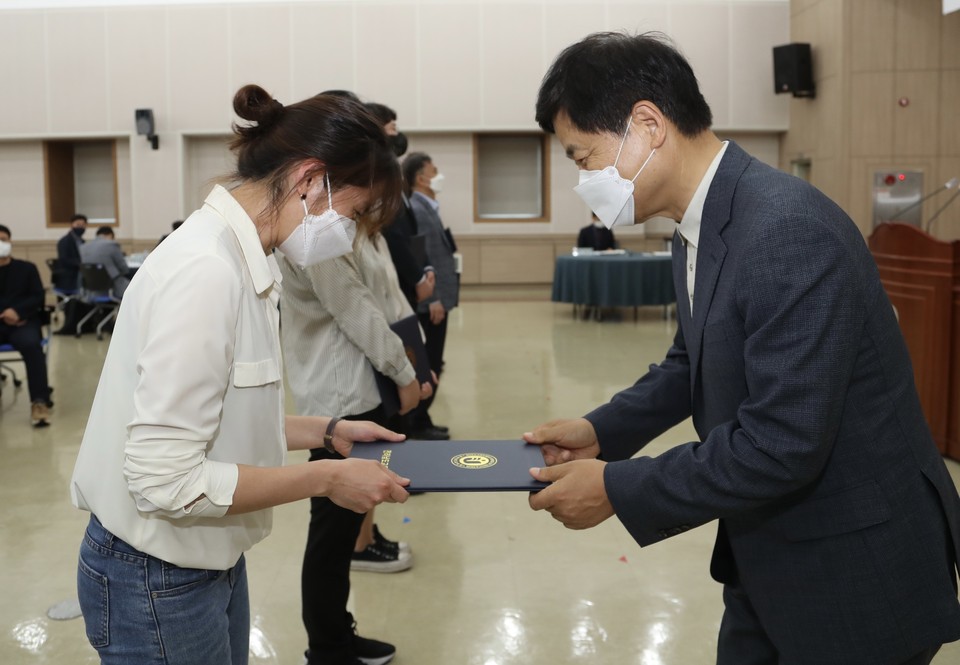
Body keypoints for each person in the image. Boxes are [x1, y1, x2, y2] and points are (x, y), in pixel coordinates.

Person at [524, 32, 960, 665]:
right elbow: (690, 362)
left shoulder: (787, 231)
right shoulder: (695, 226)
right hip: (769, 551)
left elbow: (781, 441)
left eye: (583, 156)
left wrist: (618, 488)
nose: (584, 180)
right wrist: (601, 430)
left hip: (853, 564)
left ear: (647, 126)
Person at [70, 84, 411, 665]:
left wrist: (327, 433)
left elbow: (218, 419)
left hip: (204, 559)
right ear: (310, 181)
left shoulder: (243, 256)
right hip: (158, 577)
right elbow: (165, 480)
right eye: (350, 213)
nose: (347, 233)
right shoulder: (207, 271)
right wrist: (327, 479)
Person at [280, 224, 433, 665]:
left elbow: (389, 304)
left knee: (345, 527)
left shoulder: (367, 232)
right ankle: (328, 648)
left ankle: (337, 635)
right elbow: (357, 312)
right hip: (338, 399)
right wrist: (406, 373)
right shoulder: (317, 235)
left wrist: (417, 364)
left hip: (367, 390)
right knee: (331, 537)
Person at [403, 152, 459, 440]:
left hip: (439, 297)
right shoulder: (418, 208)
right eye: (434, 170)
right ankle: (417, 421)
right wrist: (432, 298)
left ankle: (423, 416)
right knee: (429, 362)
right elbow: (421, 257)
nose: (439, 175)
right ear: (421, 178)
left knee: (434, 361)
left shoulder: (428, 206)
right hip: (430, 303)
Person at [0, 224, 52, 426]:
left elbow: (38, 296)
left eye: (3, 239)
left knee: (32, 346)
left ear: (10, 242)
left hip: (23, 323)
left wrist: (18, 312)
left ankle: (39, 401)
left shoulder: (27, 269)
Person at [53, 213, 87, 334]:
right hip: (68, 276)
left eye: (83, 225)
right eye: (78, 224)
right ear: (72, 225)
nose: (80, 227)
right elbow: (64, 259)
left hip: (81, 273)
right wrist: (80, 264)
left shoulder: (83, 241)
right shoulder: (64, 241)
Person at [79, 225, 131, 298]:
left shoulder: (83, 247)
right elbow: (123, 268)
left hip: (91, 289)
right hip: (112, 287)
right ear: (110, 235)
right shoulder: (112, 244)